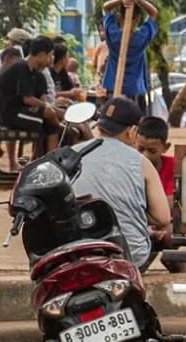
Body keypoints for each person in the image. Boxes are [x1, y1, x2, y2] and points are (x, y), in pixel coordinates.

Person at [72, 97, 171, 272]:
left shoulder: (70, 156)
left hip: (78, 254)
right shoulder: (141, 163)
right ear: (132, 131)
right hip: (130, 257)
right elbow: (163, 218)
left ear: (99, 126)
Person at [0, 36, 64, 153]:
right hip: (11, 113)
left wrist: (56, 110)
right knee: (47, 117)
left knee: (51, 125)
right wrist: (54, 111)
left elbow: (43, 101)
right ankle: (61, 128)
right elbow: (28, 99)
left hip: (25, 111)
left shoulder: (40, 75)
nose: (53, 58)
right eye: (51, 54)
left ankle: (49, 160)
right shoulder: (22, 68)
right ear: (41, 54)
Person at [101, 0, 159, 110]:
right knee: (133, 123)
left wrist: (121, 0)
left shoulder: (113, 35)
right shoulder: (140, 38)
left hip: (113, 87)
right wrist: (139, 0)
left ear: (119, 17)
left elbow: (105, 8)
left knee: (113, 121)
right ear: (138, 18)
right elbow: (153, 13)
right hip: (134, 89)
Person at [136, 116, 175, 206]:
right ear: (134, 142)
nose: (145, 155)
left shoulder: (174, 166)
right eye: (140, 149)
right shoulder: (128, 166)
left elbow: (173, 202)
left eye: (152, 151)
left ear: (166, 147)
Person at [91, 21, 109, 98]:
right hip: (101, 83)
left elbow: (94, 65)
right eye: (100, 31)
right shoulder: (100, 46)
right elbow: (94, 65)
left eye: (103, 30)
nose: (101, 33)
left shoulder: (101, 46)